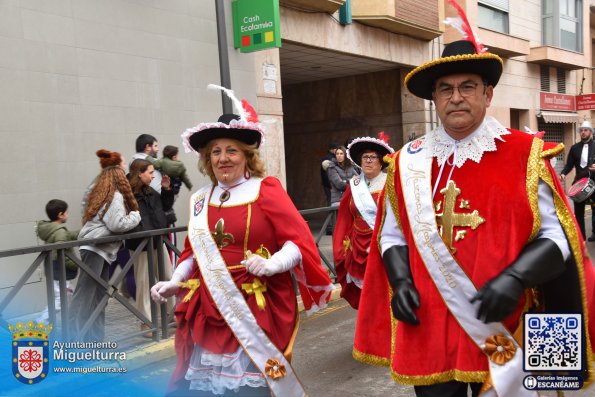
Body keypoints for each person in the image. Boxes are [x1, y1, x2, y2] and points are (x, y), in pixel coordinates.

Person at [352, 7, 595, 396]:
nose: (457, 97)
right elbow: (391, 235)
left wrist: (515, 279)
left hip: (508, 319)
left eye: (468, 86)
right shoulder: (405, 161)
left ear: (488, 93)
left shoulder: (526, 153)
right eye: (446, 89)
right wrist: (399, 282)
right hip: (428, 323)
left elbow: (560, 237)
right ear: (434, 98)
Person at [150, 90, 334, 396]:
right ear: (207, 159)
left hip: (253, 305)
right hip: (208, 307)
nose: (223, 158)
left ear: (247, 155)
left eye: (232, 150)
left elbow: (298, 243)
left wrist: (272, 263)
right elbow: (192, 254)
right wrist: (176, 281)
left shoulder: (266, 190)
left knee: (251, 390)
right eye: (216, 151)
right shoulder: (199, 200)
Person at [70, 149, 141, 342]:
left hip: (98, 248)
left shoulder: (100, 189)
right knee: (86, 296)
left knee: (97, 297)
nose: (126, 166)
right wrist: (135, 216)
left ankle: (93, 340)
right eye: (124, 164)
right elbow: (117, 224)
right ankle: (74, 340)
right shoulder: (115, 195)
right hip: (95, 248)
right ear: (118, 170)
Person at [332, 134, 394, 309]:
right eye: (364, 157)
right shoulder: (355, 185)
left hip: (381, 247)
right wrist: (340, 248)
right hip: (356, 248)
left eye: (372, 157)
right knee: (365, 300)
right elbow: (345, 218)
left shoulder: (389, 185)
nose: (367, 161)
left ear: (381, 161)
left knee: (383, 296)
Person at [128, 158, 175, 337]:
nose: (153, 174)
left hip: (157, 240)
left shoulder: (150, 191)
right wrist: (143, 234)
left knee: (169, 277)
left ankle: (173, 315)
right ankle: (146, 323)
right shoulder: (129, 194)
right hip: (140, 245)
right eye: (149, 172)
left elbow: (165, 207)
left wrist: (166, 189)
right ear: (139, 173)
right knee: (144, 283)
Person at [35, 199, 80, 322]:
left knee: (66, 296)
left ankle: (70, 324)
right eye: (67, 212)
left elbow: (66, 236)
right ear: (60, 215)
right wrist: (76, 264)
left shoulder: (52, 229)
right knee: (61, 299)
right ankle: (41, 322)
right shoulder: (59, 231)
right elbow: (60, 253)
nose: (68, 215)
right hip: (60, 272)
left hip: (53, 270)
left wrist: (81, 232)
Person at [560, 120, 595, 241]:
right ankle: (581, 236)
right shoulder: (574, 148)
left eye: (586, 130)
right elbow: (569, 164)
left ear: (591, 132)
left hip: (593, 181)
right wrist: (563, 173)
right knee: (579, 210)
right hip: (579, 181)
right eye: (581, 130)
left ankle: (594, 233)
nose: (583, 132)